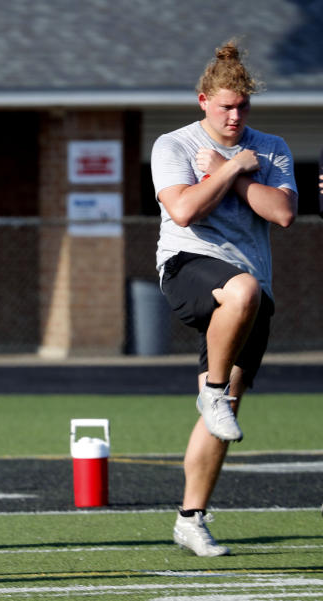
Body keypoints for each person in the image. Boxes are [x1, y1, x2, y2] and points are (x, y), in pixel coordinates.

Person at [151, 40, 296, 557]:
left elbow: (281, 213)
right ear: (203, 101)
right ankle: (212, 390)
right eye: (225, 106)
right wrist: (232, 169)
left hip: (251, 292)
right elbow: (185, 210)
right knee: (241, 289)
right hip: (188, 266)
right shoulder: (173, 145)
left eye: (242, 107)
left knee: (225, 410)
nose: (235, 116)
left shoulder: (271, 147)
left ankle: (190, 518)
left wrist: (234, 172)